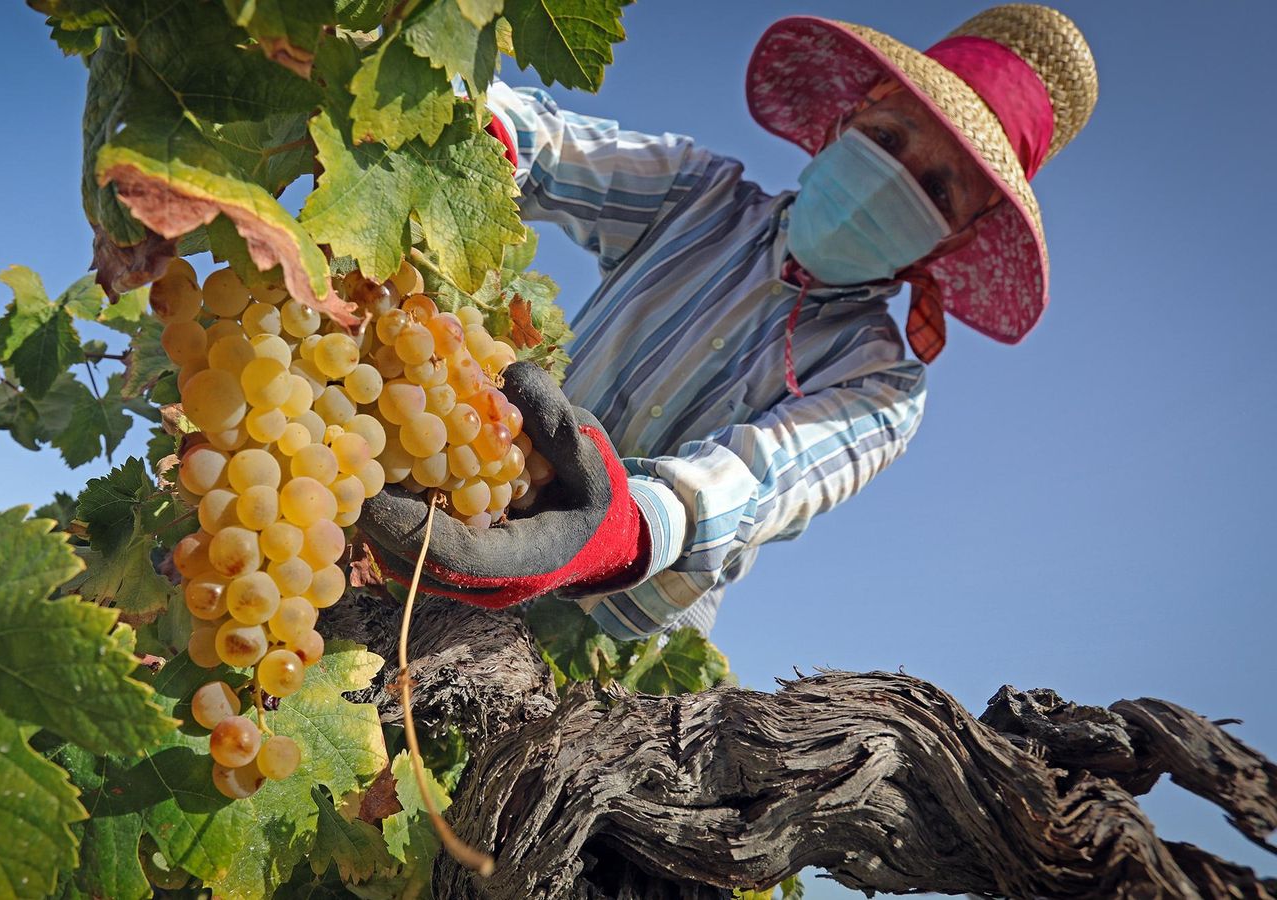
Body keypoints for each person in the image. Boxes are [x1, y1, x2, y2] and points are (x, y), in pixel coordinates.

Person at [359, 5, 1099, 640]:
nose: (893, 179)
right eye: (890, 137)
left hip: (603, 651)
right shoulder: (698, 192)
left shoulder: (882, 383)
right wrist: (460, 128)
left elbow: (754, 480)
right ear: (847, 121)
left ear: (957, 236)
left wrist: (617, 533)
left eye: (937, 187)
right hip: (474, 505)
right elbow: (550, 147)